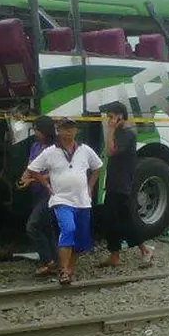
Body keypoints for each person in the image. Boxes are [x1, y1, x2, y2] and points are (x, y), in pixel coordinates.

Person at [26, 118, 103, 285]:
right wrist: (46, 184)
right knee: (68, 229)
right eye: (64, 129)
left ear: (76, 131)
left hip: (82, 201)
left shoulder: (85, 150)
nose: (68, 132)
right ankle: (63, 271)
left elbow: (97, 167)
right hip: (61, 199)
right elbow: (33, 169)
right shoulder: (50, 152)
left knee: (80, 237)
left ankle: (69, 269)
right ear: (58, 131)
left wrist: (90, 187)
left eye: (71, 129)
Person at [98, 101, 153, 267]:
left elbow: (111, 151)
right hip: (114, 181)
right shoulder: (119, 133)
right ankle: (115, 255)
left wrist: (110, 129)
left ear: (120, 116)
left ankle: (144, 249)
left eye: (111, 116)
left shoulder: (127, 134)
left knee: (124, 219)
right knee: (112, 219)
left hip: (122, 184)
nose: (109, 120)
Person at [18, 116, 58, 276]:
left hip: (48, 192)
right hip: (36, 191)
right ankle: (55, 261)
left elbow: (53, 172)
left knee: (32, 226)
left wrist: (33, 179)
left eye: (37, 130)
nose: (35, 133)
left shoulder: (54, 149)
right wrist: (24, 177)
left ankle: (48, 260)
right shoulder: (35, 146)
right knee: (46, 227)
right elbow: (31, 166)